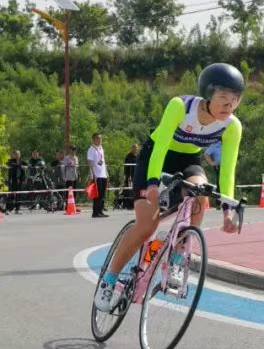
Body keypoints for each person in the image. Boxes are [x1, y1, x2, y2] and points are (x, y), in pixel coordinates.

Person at [94, 63, 245, 313]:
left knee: (201, 193)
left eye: (235, 100)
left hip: (188, 161)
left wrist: (228, 210)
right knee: (147, 225)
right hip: (155, 156)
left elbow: (228, 170)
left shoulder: (232, 126)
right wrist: (153, 183)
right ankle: (109, 280)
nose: (229, 106)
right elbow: (161, 145)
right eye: (223, 98)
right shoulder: (180, 106)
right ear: (208, 94)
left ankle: (176, 258)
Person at [87, 133, 109, 218]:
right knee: (97, 194)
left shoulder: (101, 148)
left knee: (102, 194)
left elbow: (103, 161)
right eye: (98, 138)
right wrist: (93, 174)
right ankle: (95, 212)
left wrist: (106, 173)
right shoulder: (91, 149)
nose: (100, 140)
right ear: (94, 140)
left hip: (103, 174)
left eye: (100, 138)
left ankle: (100, 211)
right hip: (97, 175)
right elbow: (90, 161)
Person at [121, 142, 140, 210]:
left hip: (137, 175)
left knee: (136, 190)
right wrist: (128, 176)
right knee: (129, 190)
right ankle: (128, 204)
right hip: (130, 175)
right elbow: (126, 167)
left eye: (136, 147)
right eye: (134, 147)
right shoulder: (128, 156)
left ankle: (136, 203)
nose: (135, 149)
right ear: (132, 148)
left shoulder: (138, 156)